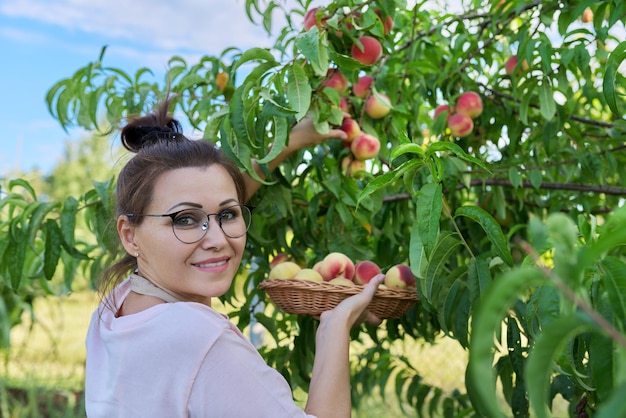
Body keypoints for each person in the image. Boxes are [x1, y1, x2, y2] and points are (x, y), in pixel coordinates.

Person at [84, 97, 384, 418]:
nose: (218, 240)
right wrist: (334, 327)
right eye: (184, 219)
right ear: (130, 235)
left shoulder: (114, 311)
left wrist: (291, 140)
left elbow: (211, 199)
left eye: (228, 215)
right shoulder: (202, 341)